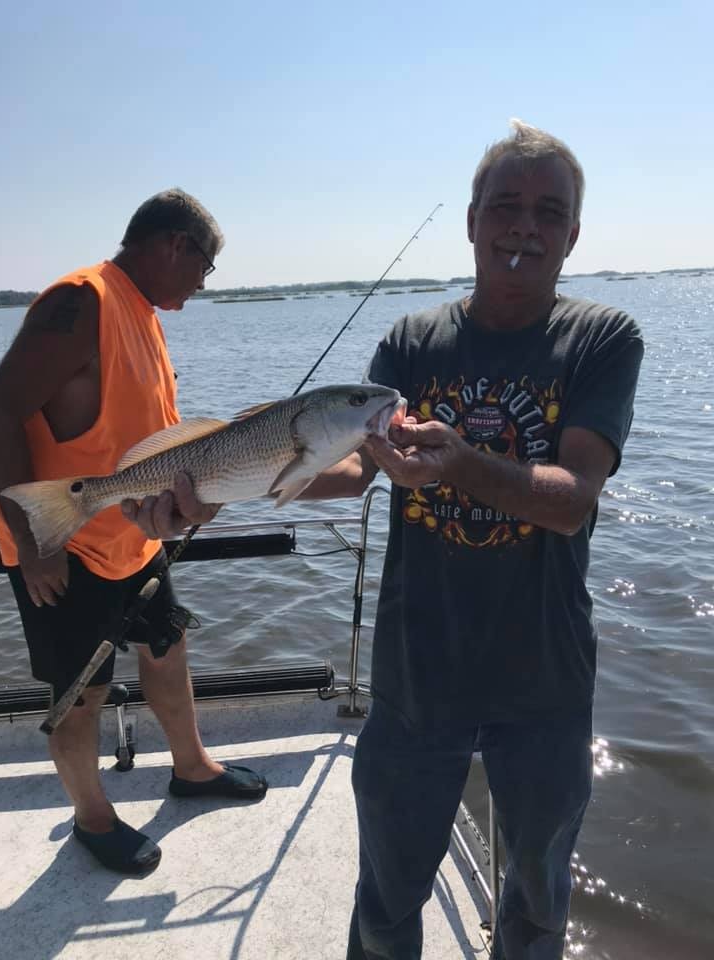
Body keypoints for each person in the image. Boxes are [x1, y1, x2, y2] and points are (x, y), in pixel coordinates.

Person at [129, 122, 643, 957]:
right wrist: (212, 497)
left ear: (573, 234)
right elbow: (350, 471)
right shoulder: (410, 344)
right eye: (505, 206)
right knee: (388, 900)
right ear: (472, 221)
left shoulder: (602, 339)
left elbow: (572, 501)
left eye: (549, 212)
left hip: (543, 673)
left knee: (540, 904)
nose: (524, 227)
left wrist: (457, 464)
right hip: (416, 666)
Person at [0, 189, 268, 877]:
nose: (204, 285)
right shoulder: (82, 300)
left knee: (166, 647)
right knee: (79, 694)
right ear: (176, 244)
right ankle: (92, 818)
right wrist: (33, 547)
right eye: (205, 267)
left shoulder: (143, 313)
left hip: (135, 539)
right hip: (65, 548)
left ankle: (192, 768)